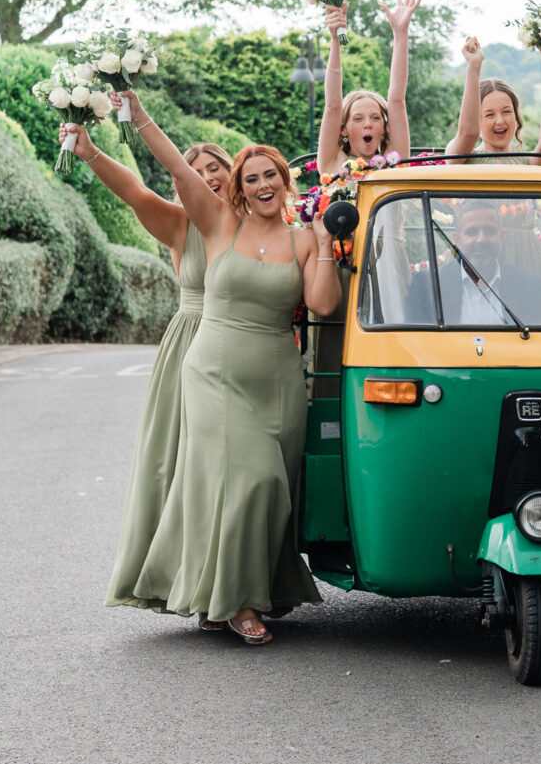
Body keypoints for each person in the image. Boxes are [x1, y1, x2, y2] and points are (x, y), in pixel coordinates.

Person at [123, 91, 341, 644]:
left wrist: (326, 247)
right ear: (239, 190)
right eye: (252, 179)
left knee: (271, 488)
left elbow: (322, 305)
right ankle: (239, 604)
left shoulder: (302, 240)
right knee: (250, 479)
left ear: (284, 184)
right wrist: (138, 112)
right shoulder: (220, 225)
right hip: (214, 370)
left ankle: (222, 595)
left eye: (271, 175)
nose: (263, 184)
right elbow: (173, 166)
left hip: (278, 379)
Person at [58, 120, 234, 613]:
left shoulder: (255, 220)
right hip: (192, 345)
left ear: (232, 170)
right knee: (178, 466)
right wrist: (90, 151)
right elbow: (133, 190)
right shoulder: (180, 223)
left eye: (215, 168)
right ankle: (181, 579)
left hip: (245, 345)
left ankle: (234, 580)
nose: (206, 177)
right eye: (196, 171)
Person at [314, 0, 421, 179]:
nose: (368, 124)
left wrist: (401, 32)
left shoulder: (393, 160)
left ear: (385, 128)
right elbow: (333, 105)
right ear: (343, 129)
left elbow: (397, 99)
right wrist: (335, 40)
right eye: (357, 119)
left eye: (375, 118)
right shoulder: (333, 162)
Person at [403, 199, 541, 325]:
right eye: (472, 232)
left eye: (490, 231)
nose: (481, 239)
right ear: (456, 240)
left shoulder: (530, 285)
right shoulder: (428, 285)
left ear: (501, 236)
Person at [443, 37, 541, 166]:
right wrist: (474, 66)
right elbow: (468, 134)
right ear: (476, 120)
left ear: (515, 116)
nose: (500, 121)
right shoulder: (460, 157)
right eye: (489, 114)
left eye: (506, 111)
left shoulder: (528, 163)